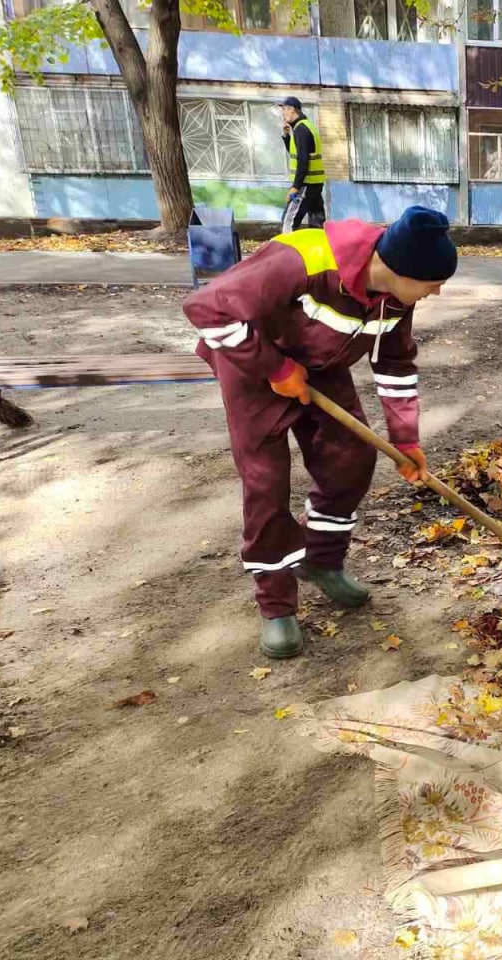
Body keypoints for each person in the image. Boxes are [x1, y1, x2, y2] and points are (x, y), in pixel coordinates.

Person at [183, 206, 457, 659]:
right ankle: (276, 606)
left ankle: (321, 560)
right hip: (253, 366)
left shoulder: (395, 297)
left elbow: (394, 365)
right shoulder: (302, 259)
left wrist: (405, 439)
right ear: (398, 269)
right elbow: (205, 308)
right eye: (432, 283)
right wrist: (273, 367)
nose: (437, 291)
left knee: (351, 458)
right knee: (266, 483)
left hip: (321, 366)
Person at [279, 96, 327, 232]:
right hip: (315, 183)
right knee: (317, 224)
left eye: (284, 110)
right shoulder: (307, 126)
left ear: (292, 109)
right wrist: (286, 136)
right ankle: (318, 251)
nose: (283, 114)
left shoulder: (301, 130)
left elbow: (303, 160)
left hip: (305, 184)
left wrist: (295, 187)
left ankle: (287, 252)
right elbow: (297, 152)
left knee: (289, 222)